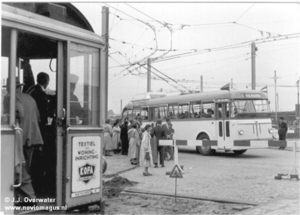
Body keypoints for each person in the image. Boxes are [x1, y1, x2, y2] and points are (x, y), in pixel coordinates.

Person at [11, 78, 44, 202]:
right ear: (20, 87)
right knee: (25, 168)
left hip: (19, 138)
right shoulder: (30, 98)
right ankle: (24, 198)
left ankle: (27, 198)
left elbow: (19, 113)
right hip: (32, 138)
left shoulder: (13, 98)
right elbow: (39, 117)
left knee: (19, 169)